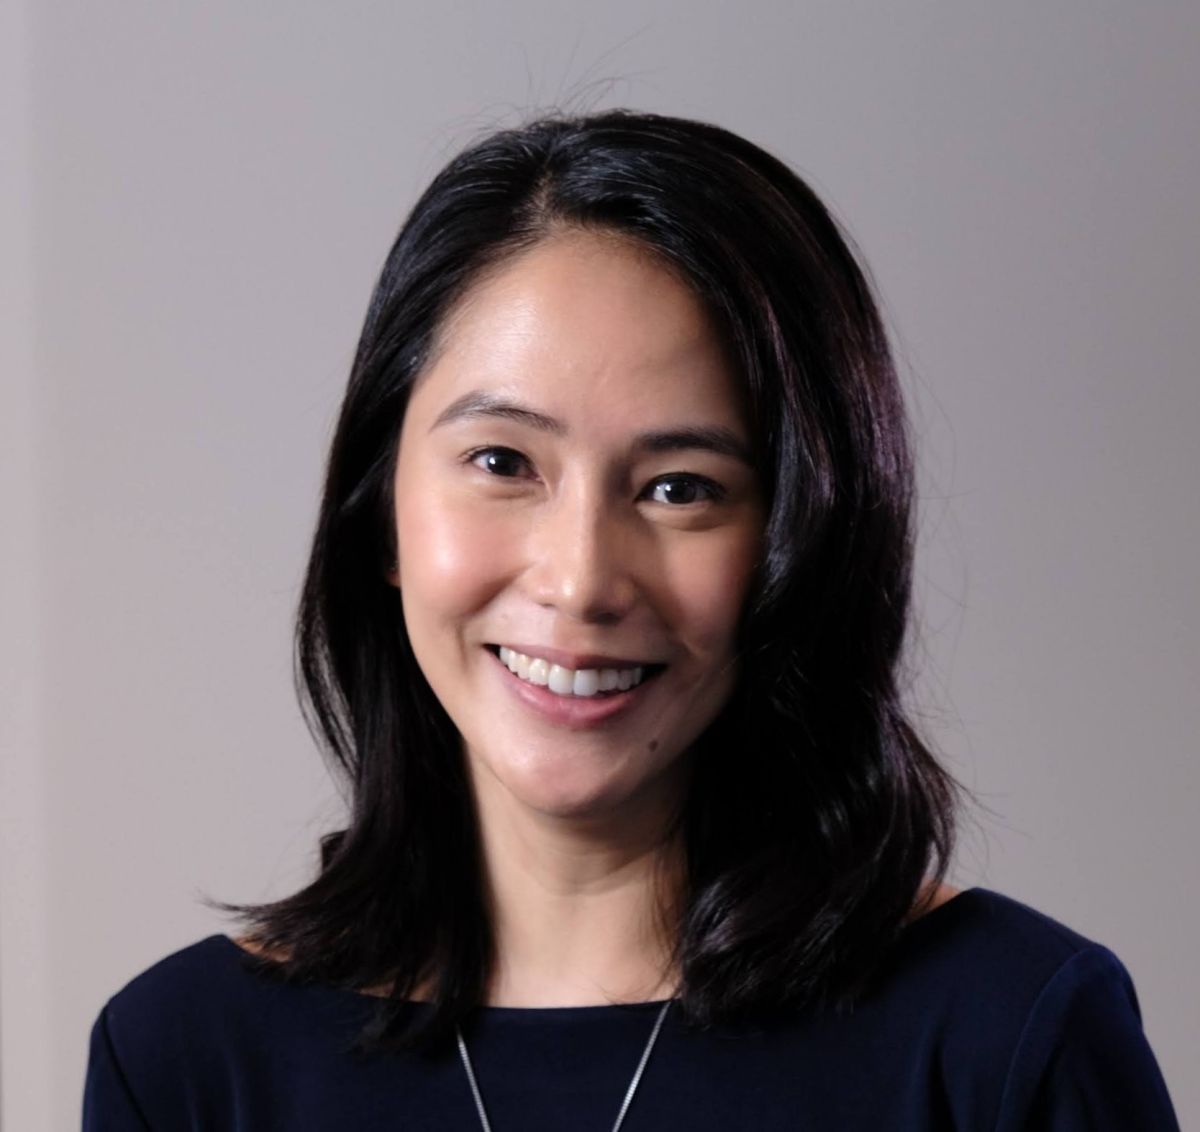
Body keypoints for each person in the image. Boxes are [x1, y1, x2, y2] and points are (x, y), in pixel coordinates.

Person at [82, 109, 1180, 1130]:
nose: (580, 579)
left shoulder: (1005, 1036)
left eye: (680, 486)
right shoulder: (185, 1059)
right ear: (382, 514)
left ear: (800, 538)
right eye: (503, 462)